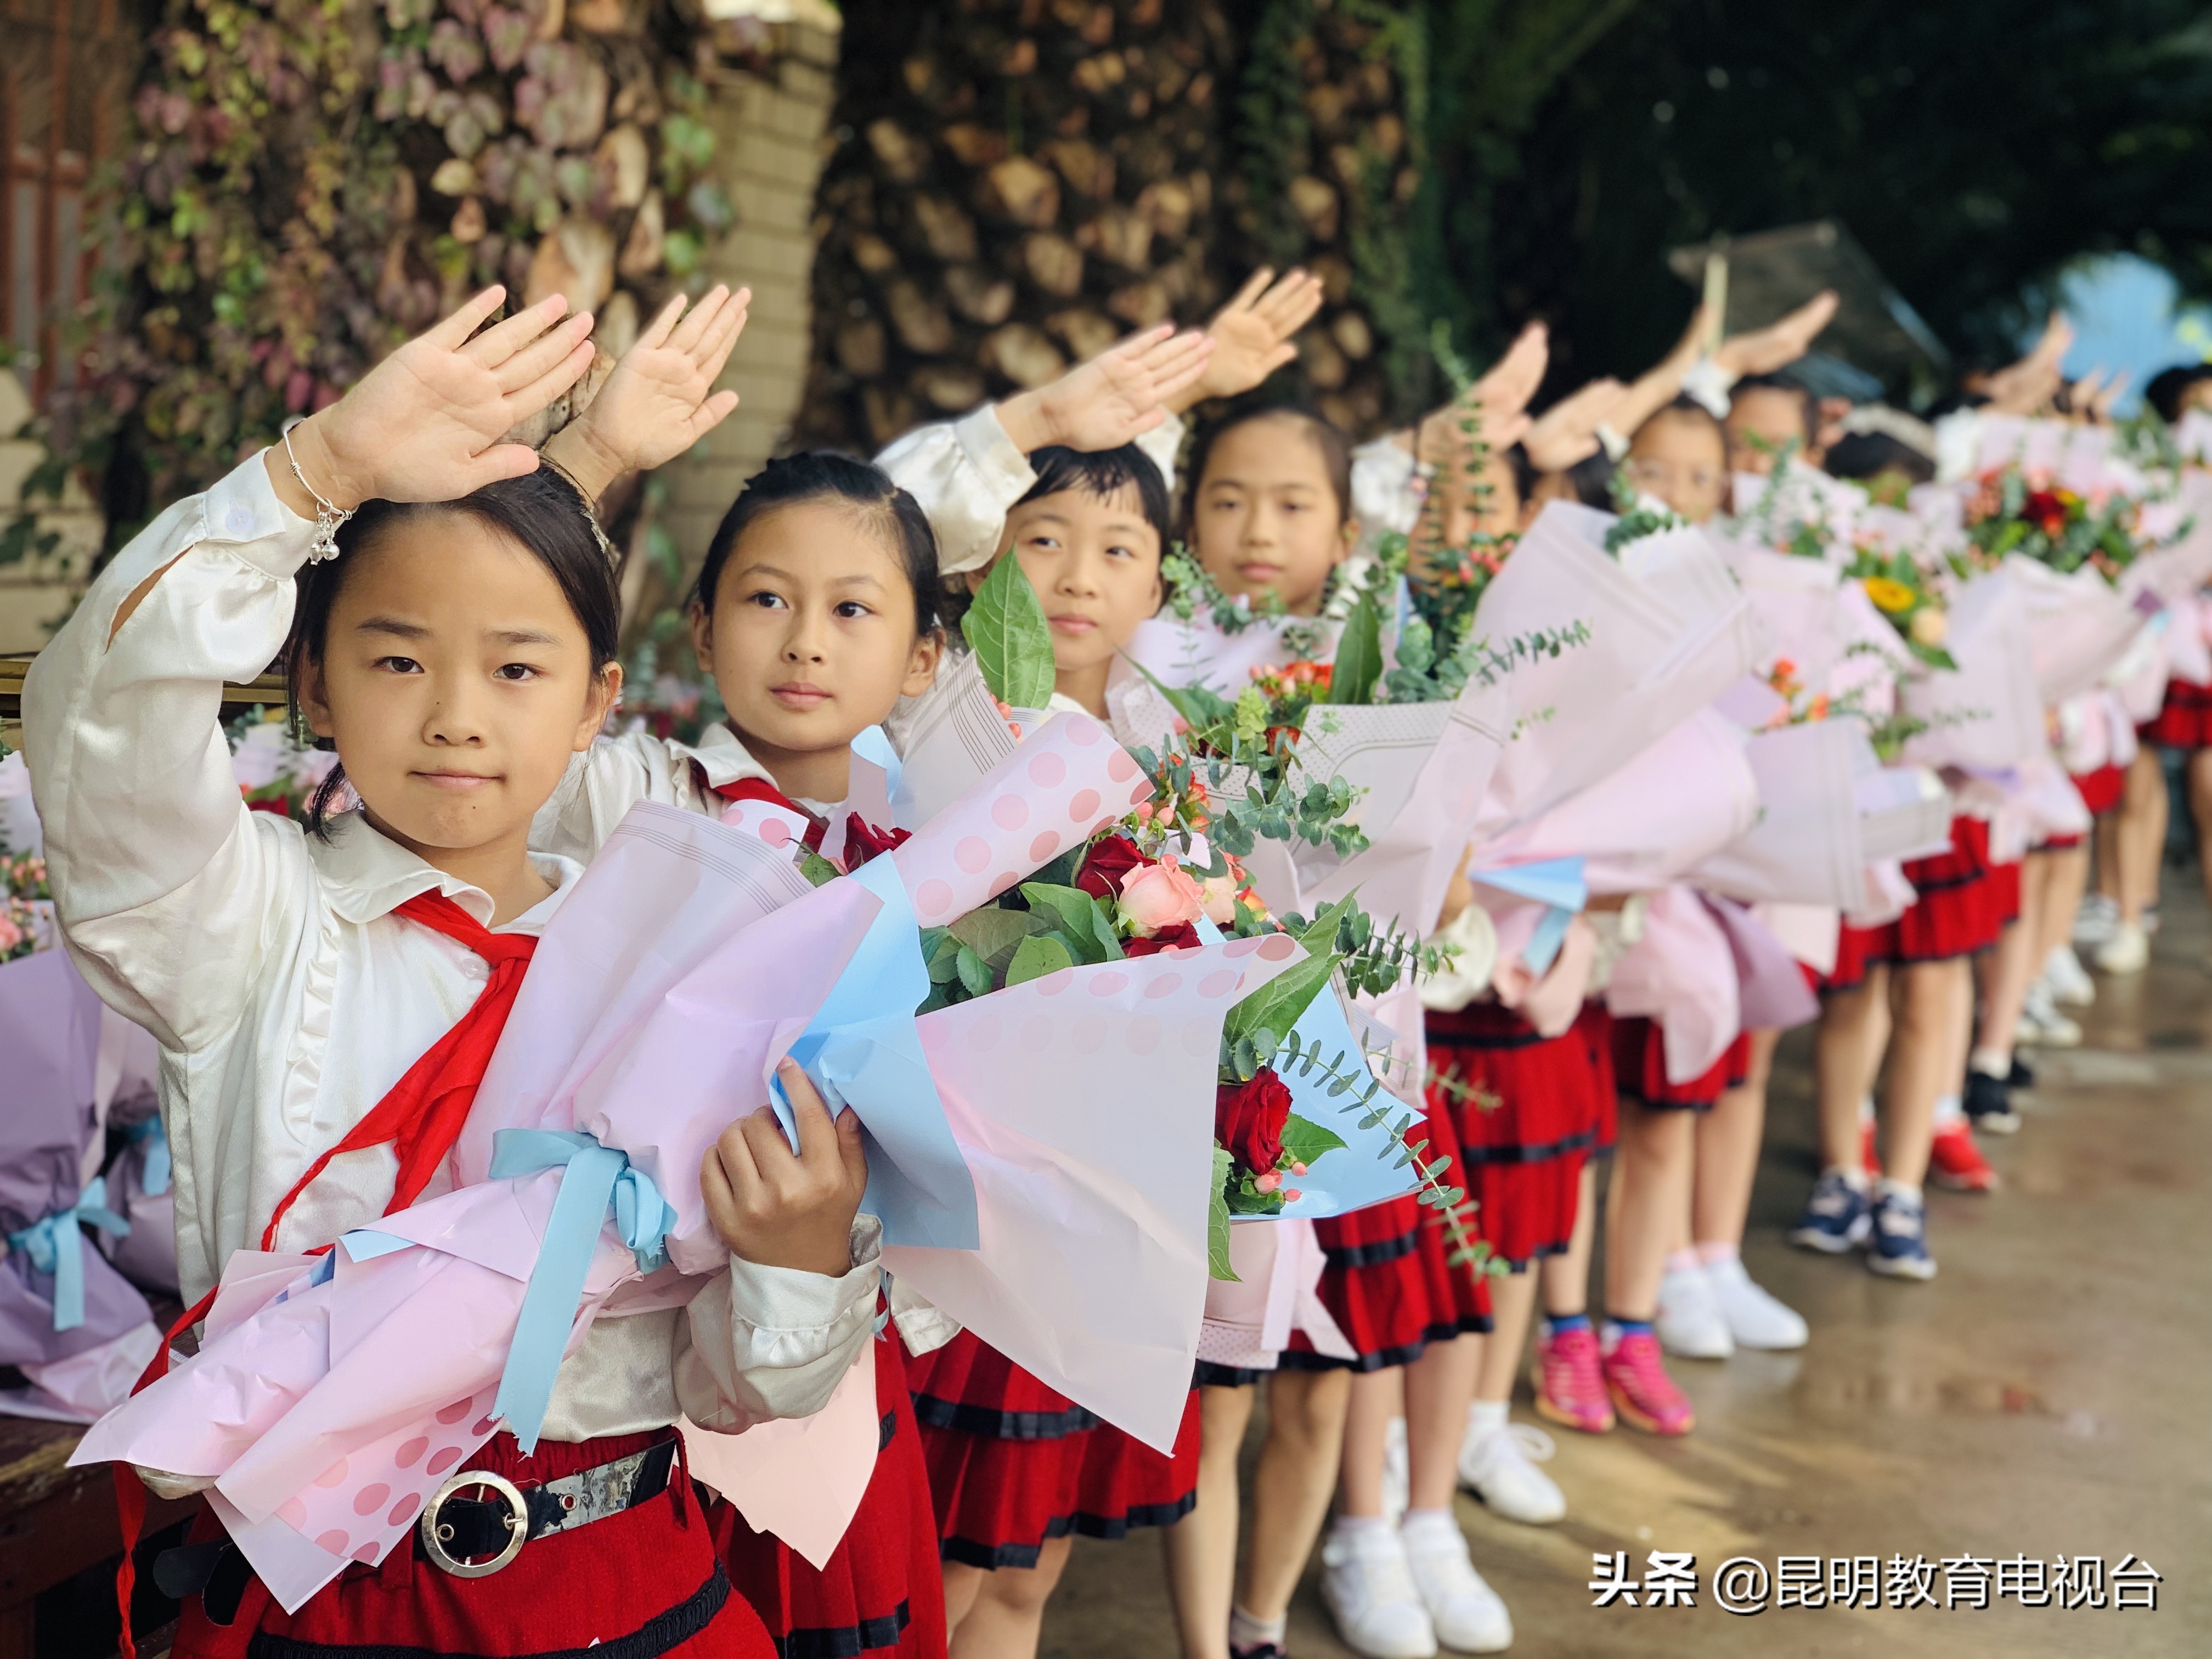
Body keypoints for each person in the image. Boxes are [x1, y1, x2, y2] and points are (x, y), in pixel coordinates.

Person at [25, 287, 882, 1658]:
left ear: (601, 699)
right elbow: (99, 722)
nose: (455, 717)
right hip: (317, 1601)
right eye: (398, 658)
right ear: (312, 686)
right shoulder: (245, 923)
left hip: (625, 1595)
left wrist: (797, 1261)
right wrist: (320, 473)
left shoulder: (683, 968)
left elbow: (742, 1390)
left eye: (518, 670)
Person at [531, 286, 958, 1659]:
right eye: (765, 600)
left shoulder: (958, 860)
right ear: (701, 630)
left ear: (922, 655)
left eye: (852, 608)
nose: (806, 639)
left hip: (834, 1329)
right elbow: (506, 676)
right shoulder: (637, 799)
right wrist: (586, 463)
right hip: (647, 1344)